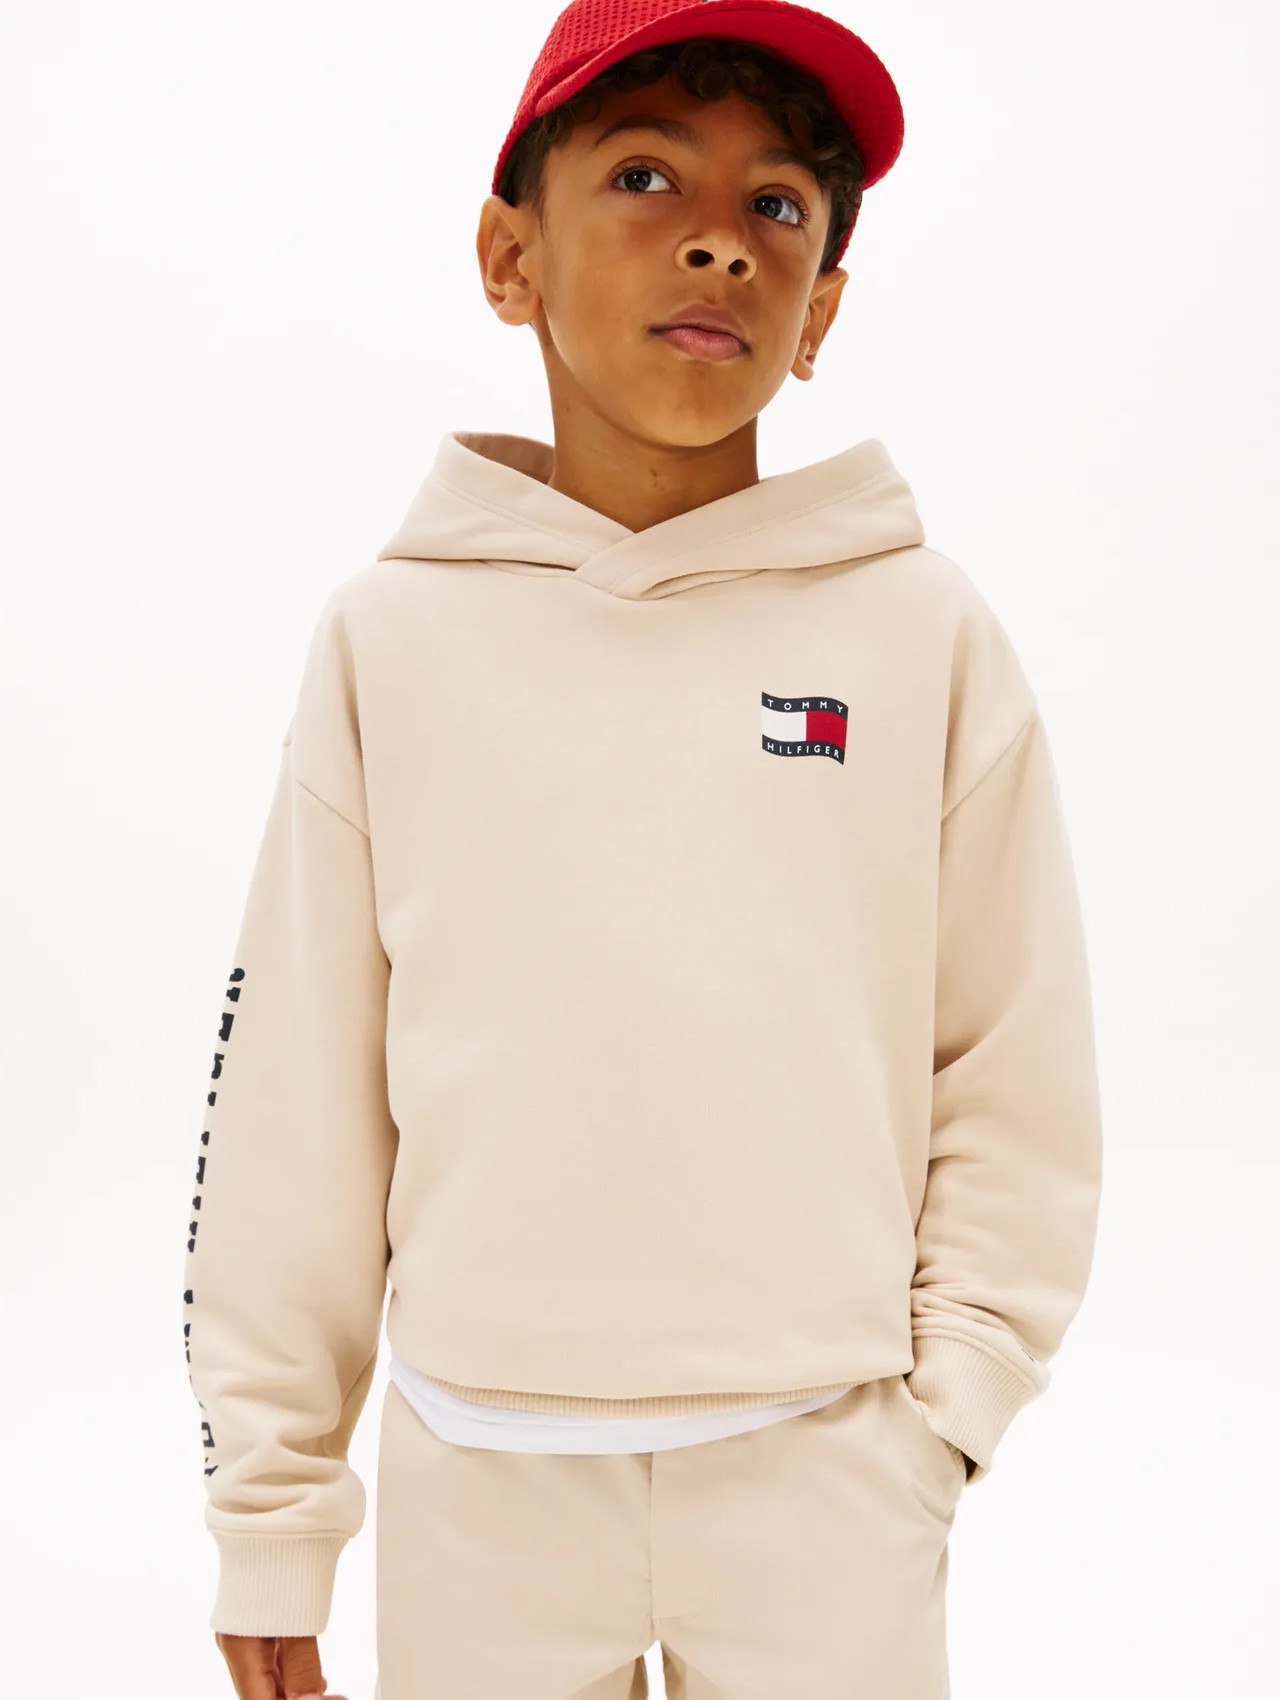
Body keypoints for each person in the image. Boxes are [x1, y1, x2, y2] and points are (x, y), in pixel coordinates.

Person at [181, 2, 1104, 1696]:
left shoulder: (920, 633)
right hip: (483, 1485)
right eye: (645, 173)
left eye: (778, 204)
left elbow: (1012, 1062)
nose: (719, 239)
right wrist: (274, 1505)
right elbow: (296, 1100)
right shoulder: (392, 643)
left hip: (833, 1473)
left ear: (822, 308)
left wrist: (945, 1418)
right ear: (508, 255)